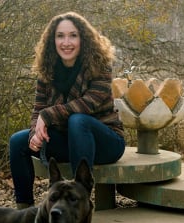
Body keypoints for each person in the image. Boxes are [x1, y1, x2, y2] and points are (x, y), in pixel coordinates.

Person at [9, 11, 125, 209]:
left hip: (106, 143)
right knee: (17, 141)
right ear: (52, 41)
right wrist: (34, 135)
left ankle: (79, 203)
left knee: (78, 120)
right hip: (70, 142)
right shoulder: (47, 70)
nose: (66, 42)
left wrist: (48, 115)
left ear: (83, 38)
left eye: (73, 35)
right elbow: (38, 110)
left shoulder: (99, 65)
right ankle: (24, 211)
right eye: (60, 36)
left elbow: (89, 103)